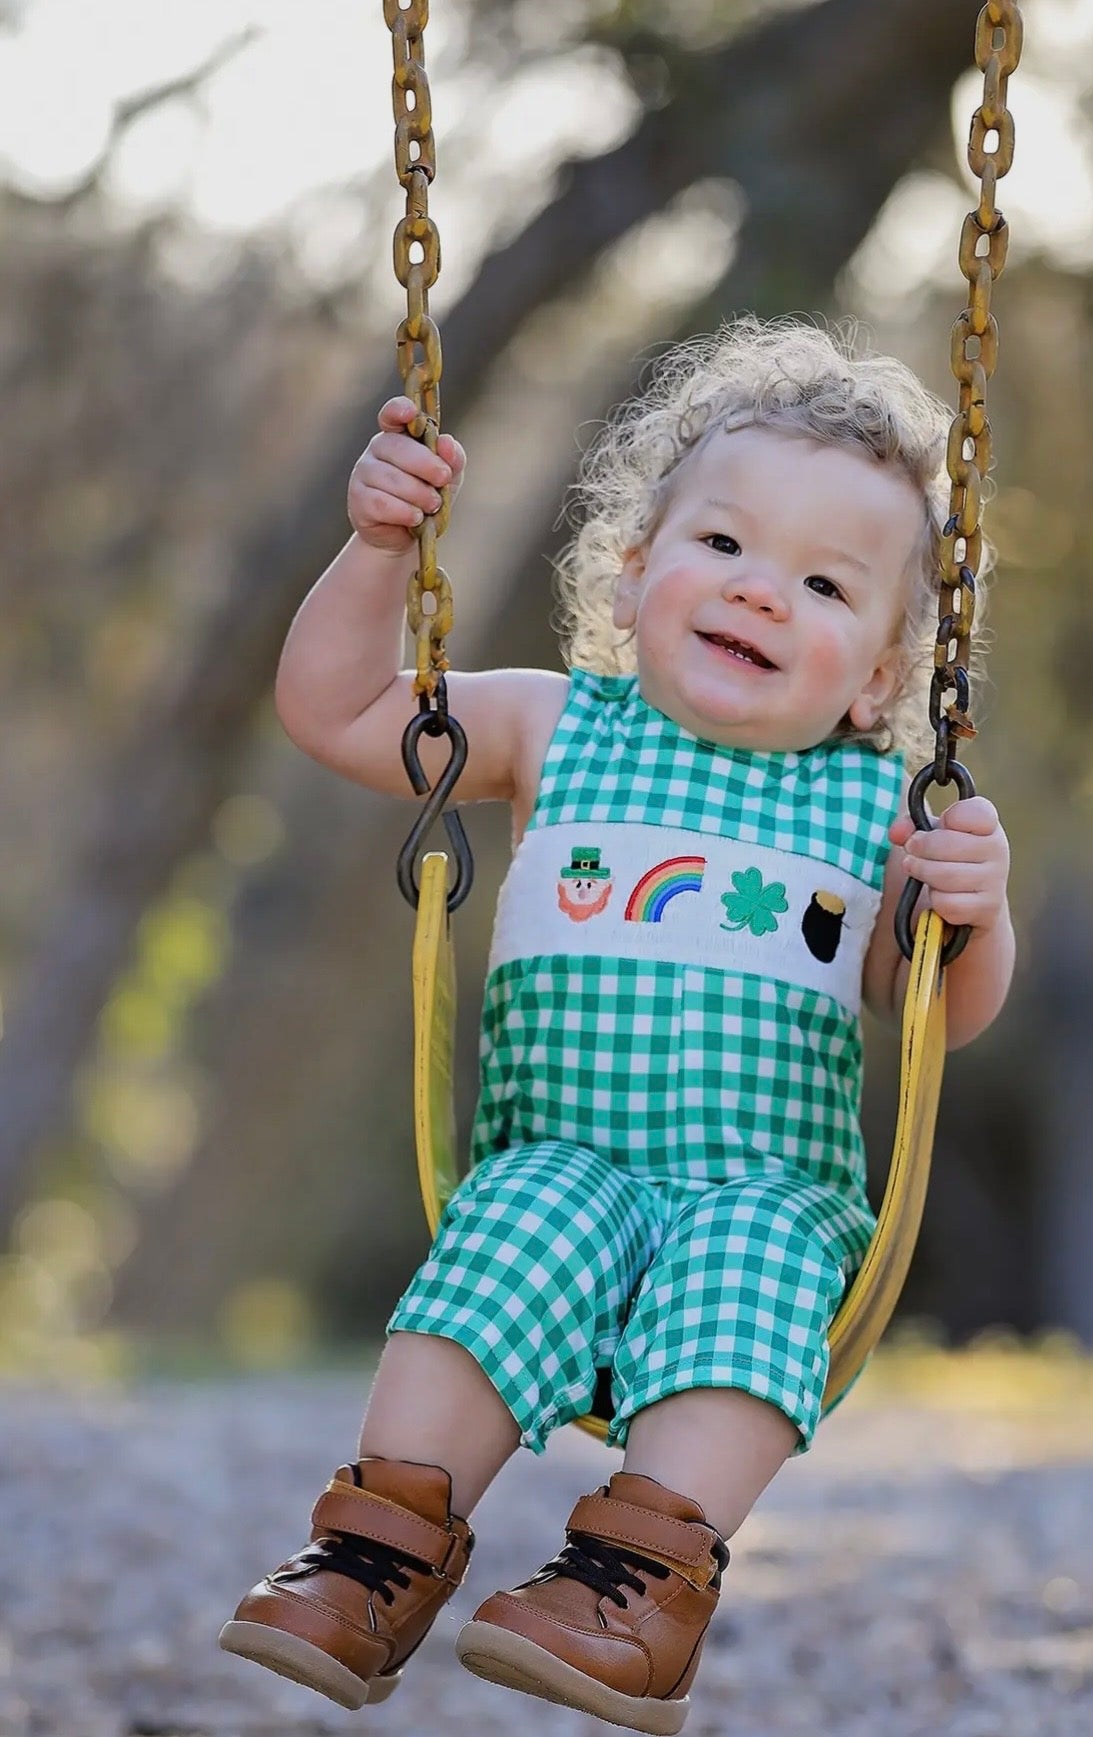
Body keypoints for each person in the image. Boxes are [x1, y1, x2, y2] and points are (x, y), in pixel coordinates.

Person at [219, 318, 1014, 1734]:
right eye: (722, 546)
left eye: (826, 582)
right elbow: (332, 705)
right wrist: (378, 551)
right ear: (636, 565)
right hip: (562, 1162)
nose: (761, 593)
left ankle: (635, 1585)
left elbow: (937, 1010)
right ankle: (374, 1556)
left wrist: (975, 902)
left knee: (750, 1278)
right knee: (500, 1247)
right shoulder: (551, 725)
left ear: (889, 673)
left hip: (763, 1189)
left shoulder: (885, 809)